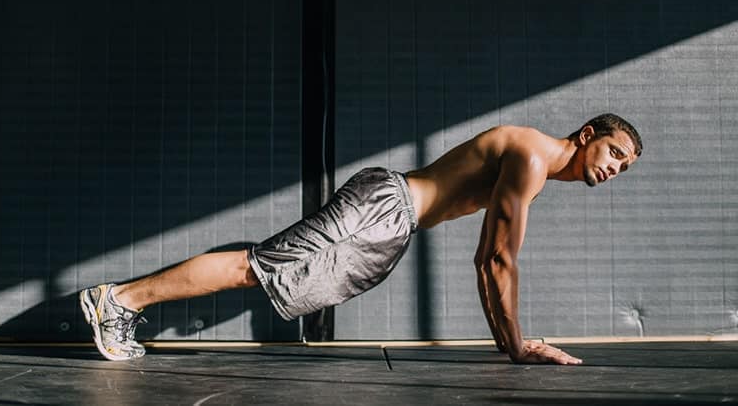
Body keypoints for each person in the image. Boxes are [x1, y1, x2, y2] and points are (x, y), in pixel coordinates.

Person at [80, 113, 642, 364]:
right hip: (386, 207)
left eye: (625, 167)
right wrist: (518, 348)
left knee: (261, 271)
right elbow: (497, 259)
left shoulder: (534, 166)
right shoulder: (530, 157)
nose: (615, 168)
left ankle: (121, 303)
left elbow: (485, 260)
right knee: (256, 267)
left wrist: (507, 345)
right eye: (615, 153)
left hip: (393, 222)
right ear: (588, 135)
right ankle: (119, 300)